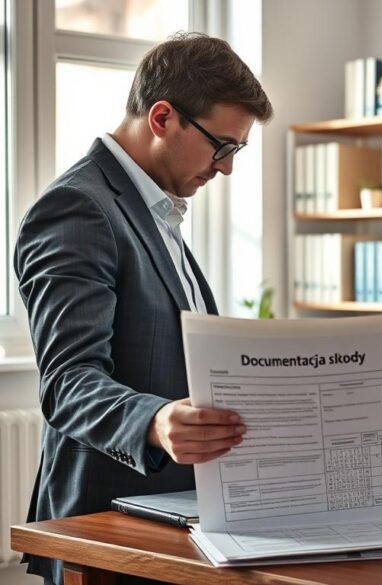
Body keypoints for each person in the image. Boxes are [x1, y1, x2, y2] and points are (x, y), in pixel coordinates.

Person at [14, 32, 273, 584]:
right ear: (162, 117)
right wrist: (154, 421)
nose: (226, 168)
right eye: (221, 146)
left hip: (177, 519)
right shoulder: (77, 208)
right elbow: (68, 382)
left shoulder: (159, 209)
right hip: (110, 523)